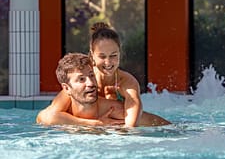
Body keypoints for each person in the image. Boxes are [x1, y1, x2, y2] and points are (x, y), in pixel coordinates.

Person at [42, 22, 168, 127]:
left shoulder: (127, 83)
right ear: (92, 54)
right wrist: (94, 124)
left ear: (120, 52)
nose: (108, 62)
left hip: (156, 126)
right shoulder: (85, 79)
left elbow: (130, 127)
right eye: (102, 56)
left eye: (113, 56)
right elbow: (45, 117)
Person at [36, 53, 171, 127]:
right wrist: (94, 124)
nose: (90, 83)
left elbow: (161, 125)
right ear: (66, 88)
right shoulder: (63, 109)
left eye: (91, 76)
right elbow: (42, 117)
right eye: (81, 79)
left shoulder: (113, 112)